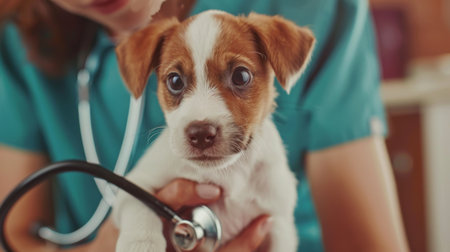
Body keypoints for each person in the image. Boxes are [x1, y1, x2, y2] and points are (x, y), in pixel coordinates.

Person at [0, 0, 410, 251]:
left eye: (240, 78)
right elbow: (14, 236)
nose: (202, 121)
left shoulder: (313, 9)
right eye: (175, 83)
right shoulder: (19, 46)